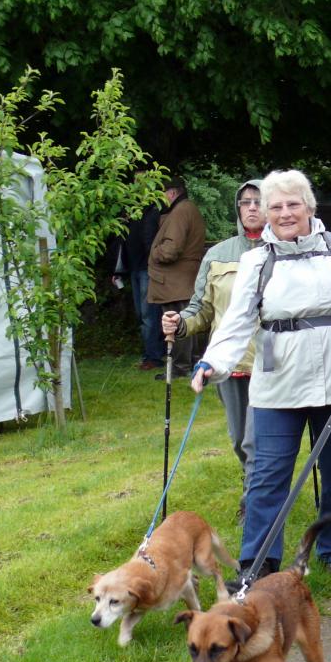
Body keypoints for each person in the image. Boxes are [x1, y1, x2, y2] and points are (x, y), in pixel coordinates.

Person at [190, 169, 331, 580]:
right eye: (276, 206)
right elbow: (237, 320)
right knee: (267, 474)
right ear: (265, 213)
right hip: (278, 380)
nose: (285, 213)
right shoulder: (255, 260)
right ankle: (258, 563)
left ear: (309, 207)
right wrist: (211, 363)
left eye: (293, 204)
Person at [162, 180, 265, 524]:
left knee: (255, 442)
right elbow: (201, 309)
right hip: (229, 364)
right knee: (239, 440)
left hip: (272, 363)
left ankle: (253, 506)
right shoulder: (217, 254)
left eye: (259, 201)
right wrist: (179, 324)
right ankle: (258, 486)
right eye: (245, 202)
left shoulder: (283, 250)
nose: (251, 207)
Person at [148, 175, 206, 379]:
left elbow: (170, 250)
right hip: (184, 279)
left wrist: (153, 251)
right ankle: (192, 364)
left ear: (172, 193)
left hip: (175, 281)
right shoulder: (188, 209)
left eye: (162, 194)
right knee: (189, 322)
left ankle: (180, 368)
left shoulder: (180, 211)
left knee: (177, 323)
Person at [119, 201, 164, 370]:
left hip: (147, 268)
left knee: (148, 314)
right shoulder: (129, 212)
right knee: (142, 314)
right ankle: (150, 354)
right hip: (133, 267)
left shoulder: (155, 211)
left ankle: (153, 356)